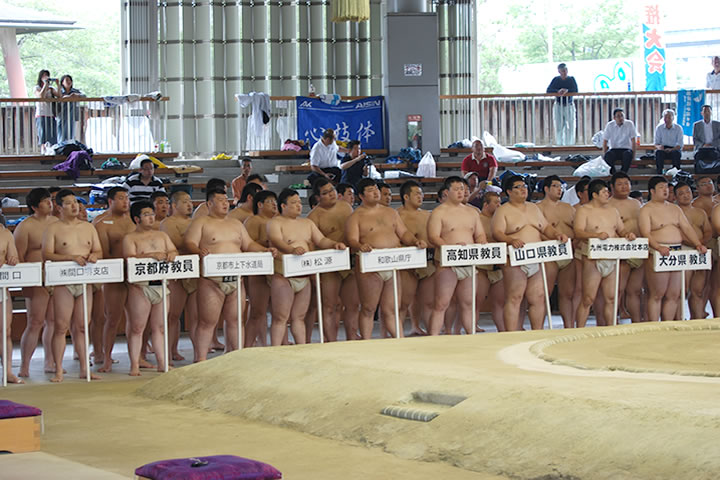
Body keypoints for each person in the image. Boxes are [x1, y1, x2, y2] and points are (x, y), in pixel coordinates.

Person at [184, 188, 275, 361]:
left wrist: (264, 250)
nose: (225, 203)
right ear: (209, 203)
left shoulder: (236, 224)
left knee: (236, 320)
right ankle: (200, 360)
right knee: (207, 322)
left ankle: (237, 359)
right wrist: (197, 250)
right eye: (220, 200)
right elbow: (189, 242)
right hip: (211, 279)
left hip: (236, 278)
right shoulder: (201, 222)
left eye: (226, 200)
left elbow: (248, 244)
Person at [345, 178, 427, 339]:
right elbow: (352, 240)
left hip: (392, 263)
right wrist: (360, 246)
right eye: (370, 190)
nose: (375, 192)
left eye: (376, 189)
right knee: (368, 308)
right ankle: (367, 341)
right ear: (361, 196)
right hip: (370, 265)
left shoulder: (391, 213)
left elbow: (403, 233)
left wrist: (414, 241)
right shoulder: (356, 217)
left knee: (392, 308)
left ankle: (399, 340)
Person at [268, 188, 346, 345]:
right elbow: (276, 241)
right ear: (283, 206)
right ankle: (275, 349)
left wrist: (334, 244)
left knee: (299, 317)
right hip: (283, 275)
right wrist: (291, 250)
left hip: (303, 275)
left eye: (299, 202)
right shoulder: (274, 223)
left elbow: (321, 240)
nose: (298, 205)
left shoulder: (307, 223)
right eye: (294, 203)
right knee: (281, 317)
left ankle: (301, 347)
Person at [491, 175, 567, 331]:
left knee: (538, 297)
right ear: (509, 192)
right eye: (518, 187)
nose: (523, 189)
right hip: (515, 258)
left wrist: (557, 234)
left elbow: (546, 228)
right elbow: (497, 233)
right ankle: (512, 334)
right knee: (515, 297)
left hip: (535, 258)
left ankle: (537, 332)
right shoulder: (503, 211)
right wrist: (511, 240)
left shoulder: (534, 208)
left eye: (524, 186)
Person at [42, 189, 103, 382]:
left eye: (75, 202)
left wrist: (94, 256)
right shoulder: (53, 228)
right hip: (64, 281)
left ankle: (85, 368)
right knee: (61, 326)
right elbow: (47, 254)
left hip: (85, 281)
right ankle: (59, 369)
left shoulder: (88, 227)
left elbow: (98, 250)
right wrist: (71, 258)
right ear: (59, 207)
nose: (74, 206)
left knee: (83, 326)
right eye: (68, 203)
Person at [638, 176, 707, 322]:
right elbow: (645, 233)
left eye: (666, 187)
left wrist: (697, 244)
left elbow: (686, 228)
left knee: (674, 294)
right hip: (657, 252)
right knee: (657, 294)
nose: (665, 190)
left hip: (676, 251)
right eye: (661, 187)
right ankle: (654, 326)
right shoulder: (646, 210)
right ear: (652, 191)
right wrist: (658, 247)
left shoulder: (675, 208)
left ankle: (667, 326)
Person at [123, 201, 178, 375]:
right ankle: (134, 364)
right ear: (137, 219)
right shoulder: (130, 238)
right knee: (137, 328)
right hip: (140, 286)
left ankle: (162, 363)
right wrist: (151, 255)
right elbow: (129, 258)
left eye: (152, 214)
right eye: (146, 214)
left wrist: (172, 254)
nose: (151, 217)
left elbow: (174, 251)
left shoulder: (162, 236)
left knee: (160, 327)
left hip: (161, 284)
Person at [427, 176, 486, 336]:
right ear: (447, 192)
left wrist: (481, 242)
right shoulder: (438, 212)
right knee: (441, 303)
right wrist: (450, 248)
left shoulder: (472, 212)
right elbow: (433, 237)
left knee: (468, 303)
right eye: (457, 189)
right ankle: (433, 339)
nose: (461, 192)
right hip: (448, 262)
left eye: (463, 189)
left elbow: (480, 234)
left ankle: (471, 336)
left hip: (469, 261)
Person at [574, 180, 636, 328]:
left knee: (611, 298)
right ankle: (579, 330)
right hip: (592, 258)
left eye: (608, 191)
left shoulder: (613, 211)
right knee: (588, 298)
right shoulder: (584, 210)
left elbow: (621, 229)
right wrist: (596, 236)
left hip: (611, 256)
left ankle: (611, 328)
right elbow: (578, 232)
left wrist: (627, 234)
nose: (607, 194)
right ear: (595, 195)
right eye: (604, 192)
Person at [15, 188, 59, 377]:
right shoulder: (25, 227)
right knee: (35, 322)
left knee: (54, 321)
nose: (50, 203)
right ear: (34, 206)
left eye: (50, 199)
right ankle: (24, 365)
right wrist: (28, 281)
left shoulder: (57, 223)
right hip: (35, 278)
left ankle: (50, 361)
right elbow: (19, 256)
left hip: (56, 276)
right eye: (44, 200)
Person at [307, 179, 356, 342]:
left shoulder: (346, 207)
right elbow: (312, 245)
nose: (331, 194)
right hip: (328, 264)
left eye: (332, 190)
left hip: (349, 259)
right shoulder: (314, 217)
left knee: (352, 304)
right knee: (329, 305)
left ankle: (352, 338)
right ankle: (330, 340)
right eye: (325, 193)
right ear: (318, 197)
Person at [94, 187, 136, 373]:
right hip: (115, 274)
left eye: (127, 198)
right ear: (110, 201)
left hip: (136, 274)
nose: (125, 201)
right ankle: (106, 357)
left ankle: (138, 357)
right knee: (112, 318)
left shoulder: (135, 220)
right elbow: (104, 254)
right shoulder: (102, 224)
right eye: (121, 198)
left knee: (137, 320)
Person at [159, 190, 196, 361]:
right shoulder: (167, 223)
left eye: (190, 201)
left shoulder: (195, 222)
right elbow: (179, 243)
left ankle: (199, 354)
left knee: (196, 316)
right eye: (185, 202)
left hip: (194, 270)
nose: (189, 205)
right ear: (174, 205)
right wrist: (194, 240)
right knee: (172, 315)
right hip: (176, 270)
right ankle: (169, 352)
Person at [537, 175, 577, 328]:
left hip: (568, 252)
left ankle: (569, 326)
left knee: (568, 292)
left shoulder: (568, 208)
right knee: (544, 293)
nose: (559, 189)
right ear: (546, 189)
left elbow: (577, 228)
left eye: (561, 187)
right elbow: (538, 231)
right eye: (555, 186)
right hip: (549, 253)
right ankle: (540, 326)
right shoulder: (538, 208)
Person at [396, 180, 434, 337]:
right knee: (403, 303)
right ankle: (397, 335)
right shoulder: (397, 216)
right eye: (417, 194)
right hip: (406, 262)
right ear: (406, 196)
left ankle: (432, 334)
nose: (421, 196)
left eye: (421, 193)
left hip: (427, 259)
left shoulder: (427, 215)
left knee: (429, 302)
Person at [608, 172, 645, 323]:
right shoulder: (608, 205)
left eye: (626, 183)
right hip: (620, 250)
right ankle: (613, 321)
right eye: (620, 184)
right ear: (612, 187)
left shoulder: (636, 203)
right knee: (617, 289)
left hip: (638, 248)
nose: (624, 187)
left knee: (635, 290)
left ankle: (636, 322)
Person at [243, 190, 277, 347]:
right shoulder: (253, 220)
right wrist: (267, 243)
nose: (274, 204)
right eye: (270, 201)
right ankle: (248, 346)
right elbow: (247, 245)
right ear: (260, 204)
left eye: (275, 201)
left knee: (278, 313)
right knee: (258, 311)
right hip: (258, 270)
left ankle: (271, 344)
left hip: (277, 269)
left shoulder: (279, 220)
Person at [674, 182, 712, 319]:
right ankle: (679, 319)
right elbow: (679, 234)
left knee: (698, 291)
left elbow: (708, 231)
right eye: (681, 194)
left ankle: (697, 318)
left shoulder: (700, 212)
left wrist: (700, 243)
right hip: (683, 250)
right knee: (682, 290)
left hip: (700, 250)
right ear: (675, 197)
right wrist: (695, 243)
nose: (686, 195)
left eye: (688, 192)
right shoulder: (674, 212)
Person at [477, 192, 505, 331]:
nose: (499, 205)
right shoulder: (477, 220)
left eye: (500, 202)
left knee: (500, 301)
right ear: (486, 204)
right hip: (482, 266)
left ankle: (502, 329)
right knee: (476, 300)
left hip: (499, 265)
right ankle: (472, 327)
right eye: (496, 202)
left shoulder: (501, 219)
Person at [0, 224, 21, 383]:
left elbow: (14, 257)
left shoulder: (5, 233)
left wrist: (12, 260)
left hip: (1, 287)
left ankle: (7, 372)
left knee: (5, 330)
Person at [546, 63, 578, 146]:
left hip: (569, 104)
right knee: (558, 126)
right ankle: (559, 144)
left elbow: (575, 90)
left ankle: (570, 145)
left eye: (565, 70)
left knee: (571, 126)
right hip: (558, 104)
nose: (564, 72)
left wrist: (568, 91)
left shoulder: (571, 79)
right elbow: (548, 90)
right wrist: (558, 91)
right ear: (559, 72)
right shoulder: (556, 80)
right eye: (562, 71)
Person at [603, 108, 638, 174]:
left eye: (622, 116)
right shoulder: (609, 125)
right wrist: (604, 154)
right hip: (614, 150)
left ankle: (623, 174)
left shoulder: (629, 124)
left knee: (628, 155)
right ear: (614, 118)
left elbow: (633, 141)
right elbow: (605, 141)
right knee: (608, 156)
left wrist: (634, 156)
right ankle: (614, 174)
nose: (621, 118)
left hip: (626, 149)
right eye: (618, 116)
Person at [34, 70, 59, 148]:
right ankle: (43, 150)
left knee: (52, 135)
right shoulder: (37, 88)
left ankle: (52, 150)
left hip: (51, 113)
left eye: (47, 75)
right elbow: (41, 96)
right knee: (43, 134)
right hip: (41, 113)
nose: (46, 77)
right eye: (43, 75)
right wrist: (45, 85)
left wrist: (58, 85)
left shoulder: (51, 88)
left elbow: (59, 96)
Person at [653, 109, 684, 174]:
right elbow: (656, 143)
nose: (667, 119)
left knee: (676, 154)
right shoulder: (659, 128)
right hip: (663, 149)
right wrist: (660, 147)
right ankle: (659, 174)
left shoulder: (678, 128)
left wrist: (671, 149)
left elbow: (680, 144)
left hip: (674, 149)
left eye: (669, 117)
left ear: (673, 118)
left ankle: (676, 173)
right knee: (658, 153)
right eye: (665, 117)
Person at [57, 74, 84, 143]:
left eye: (70, 80)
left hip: (72, 114)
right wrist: (66, 97)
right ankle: (61, 146)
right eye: (66, 80)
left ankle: (70, 146)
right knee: (61, 133)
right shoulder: (59, 91)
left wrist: (77, 95)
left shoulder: (75, 91)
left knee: (71, 133)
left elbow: (84, 96)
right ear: (62, 82)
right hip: (62, 114)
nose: (68, 82)